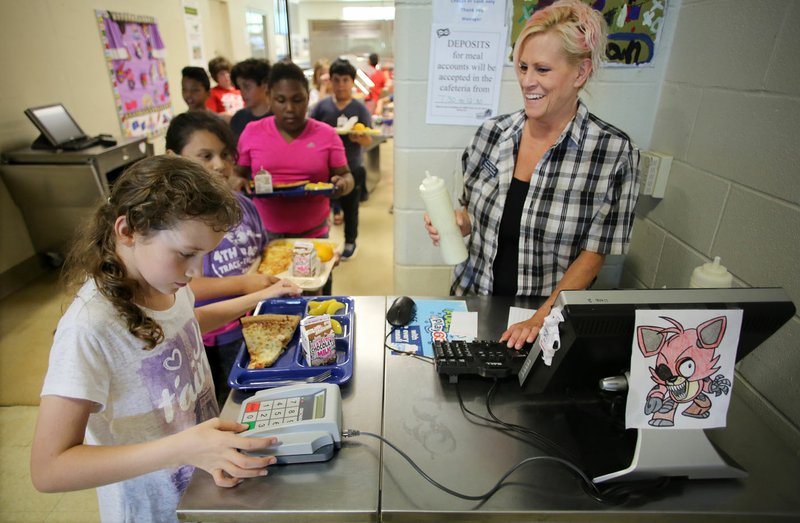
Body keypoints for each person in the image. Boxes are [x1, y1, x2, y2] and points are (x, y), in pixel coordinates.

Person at [30, 156, 285, 522]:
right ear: (128, 231)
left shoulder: (166, 281)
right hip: (153, 510)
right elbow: (48, 468)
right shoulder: (88, 328)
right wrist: (182, 447)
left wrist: (256, 300)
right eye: (186, 254)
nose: (196, 271)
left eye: (203, 255)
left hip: (203, 483)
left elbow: (184, 326)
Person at [424, 0, 639, 349]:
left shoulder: (611, 153)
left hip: (542, 319)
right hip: (472, 302)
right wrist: (455, 223)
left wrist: (542, 317)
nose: (527, 81)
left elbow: (593, 255)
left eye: (542, 69)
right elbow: (470, 214)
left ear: (580, 73)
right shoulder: (492, 134)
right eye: (522, 67)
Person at [166, 112, 301, 407]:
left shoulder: (244, 206)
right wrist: (244, 285)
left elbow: (263, 254)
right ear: (173, 158)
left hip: (256, 320)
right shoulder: (173, 225)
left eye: (226, 155)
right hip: (213, 336)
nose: (219, 165)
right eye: (205, 156)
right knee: (225, 402)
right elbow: (183, 287)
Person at [237, 61, 355, 242]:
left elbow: (347, 175)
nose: (290, 108)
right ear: (269, 97)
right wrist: (238, 182)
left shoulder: (327, 135)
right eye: (281, 100)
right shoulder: (252, 132)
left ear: (308, 97)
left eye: (297, 100)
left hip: (314, 235)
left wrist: (343, 184)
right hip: (263, 235)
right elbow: (238, 175)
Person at [310, 57, 372, 260]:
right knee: (321, 209)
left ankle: (350, 241)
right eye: (336, 80)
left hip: (351, 167)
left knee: (350, 208)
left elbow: (369, 140)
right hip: (323, 170)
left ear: (352, 82)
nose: (341, 85)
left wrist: (360, 138)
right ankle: (322, 242)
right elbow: (310, 133)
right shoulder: (322, 107)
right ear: (330, 82)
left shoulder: (360, 108)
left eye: (345, 80)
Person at [230, 58, 272, 142]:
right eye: (240, 88)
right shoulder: (238, 119)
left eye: (246, 86)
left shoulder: (279, 118)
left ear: (265, 85)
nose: (242, 93)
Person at [206, 56, 244, 120]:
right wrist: (222, 116)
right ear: (215, 77)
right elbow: (210, 117)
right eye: (222, 74)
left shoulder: (240, 89)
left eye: (228, 72)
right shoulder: (212, 93)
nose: (227, 76)